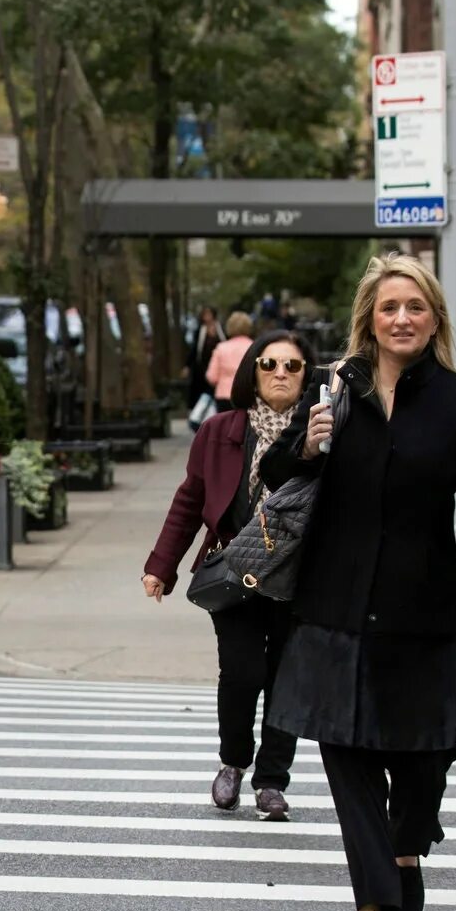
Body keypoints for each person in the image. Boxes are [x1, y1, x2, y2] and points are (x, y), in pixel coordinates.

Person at [268, 254, 456, 911]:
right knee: (348, 756)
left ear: (434, 318)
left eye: (416, 307)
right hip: (334, 607)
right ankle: (368, 908)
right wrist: (305, 443)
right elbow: (276, 475)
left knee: (430, 754)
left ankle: (407, 847)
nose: (403, 318)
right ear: (369, 319)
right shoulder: (334, 392)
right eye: (390, 307)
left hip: (425, 609)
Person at [143, 330, 311, 820]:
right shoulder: (220, 430)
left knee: (288, 677)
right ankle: (233, 761)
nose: (281, 373)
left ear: (306, 378)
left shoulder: (321, 434)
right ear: (252, 372)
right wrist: (161, 565)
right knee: (242, 673)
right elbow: (190, 501)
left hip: (301, 579)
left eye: (293, 366)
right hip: (235, 574)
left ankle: (272, 782)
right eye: (270, 364)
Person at [205, 312, 255, 408]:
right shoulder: (254, 347)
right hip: (247, 395)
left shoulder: (221, 347)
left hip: (223, 395)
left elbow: (211, 376)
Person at [186, 306, 222, 411]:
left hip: (218, 366)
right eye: (205, 314)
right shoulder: (199, 331)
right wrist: (188, 365)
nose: (207, 317)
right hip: (202, 367)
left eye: (209, 314)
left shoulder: (220, 329)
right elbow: (194, 349)